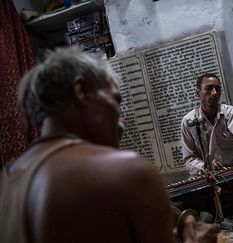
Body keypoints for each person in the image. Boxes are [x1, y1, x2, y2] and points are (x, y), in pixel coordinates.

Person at [0, 48, 219, 243]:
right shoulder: (127, 169)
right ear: (82, 91)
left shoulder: (7, 182)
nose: (121, 120)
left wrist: (183, 219)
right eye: (116, 100)